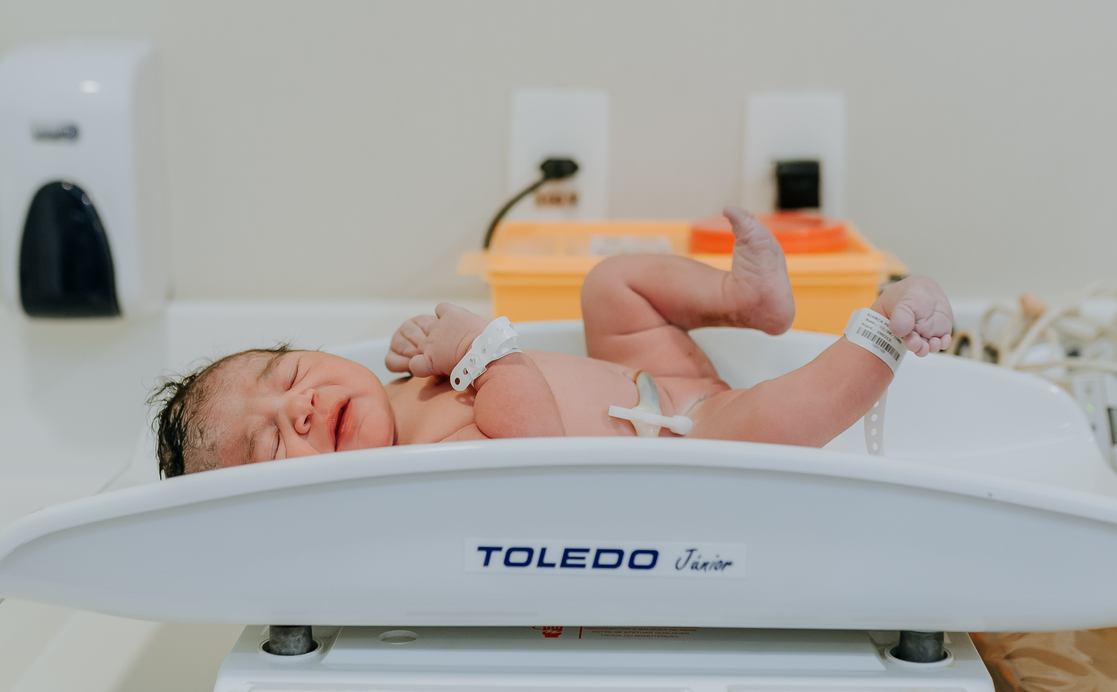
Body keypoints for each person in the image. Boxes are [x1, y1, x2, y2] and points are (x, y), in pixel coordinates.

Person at [151, 207, 952, 478]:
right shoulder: (405, 467)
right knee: (790, 419)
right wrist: (481, 354)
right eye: (266, 440)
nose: (301, 404)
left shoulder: (391, 391)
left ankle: (745, 300)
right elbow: (526, 440)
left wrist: (437, 347)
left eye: (290, 371)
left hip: (644, 375)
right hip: (690, 436)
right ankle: (884, 325)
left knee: (608, 286)